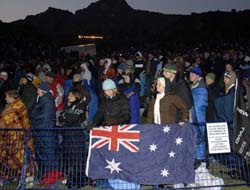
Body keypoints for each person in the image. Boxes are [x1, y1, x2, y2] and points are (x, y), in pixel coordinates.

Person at [88, 79, 140, 189]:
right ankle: (107, 179)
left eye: (107, 90)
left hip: (119, 131)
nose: (105, 93)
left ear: (113, 89)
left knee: (119, 156)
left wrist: (115, 122)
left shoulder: (122, 99)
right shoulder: (104, 99)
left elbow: (126, 115)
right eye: (104, 91)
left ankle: (121, 178)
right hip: (107, 131)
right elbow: (100, 112)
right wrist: (94, 122)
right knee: (107, 156)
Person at [30, 82, 63, 186]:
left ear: (42, 91)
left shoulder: (46, 100)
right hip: (43, 132)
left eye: (38, 90)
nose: (37, 91)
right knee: (44, 154)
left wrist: (33, 122)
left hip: (45, 132)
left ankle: (51, 177)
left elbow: (42, 117)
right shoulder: (43, 100)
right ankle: (45, 176)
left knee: (48, 154)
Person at [0, 90, 36, 183]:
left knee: (22, 157)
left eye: (7, 97)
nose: (5, 98)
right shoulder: (10, 106)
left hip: (20, 137)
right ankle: (14, 176)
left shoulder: (19, 107)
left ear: (12, 98)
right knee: (10, 157)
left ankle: (28, 176)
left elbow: (7, 121)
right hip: (11, 137)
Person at [58, 89, 87, 188]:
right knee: (68, 159)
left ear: (76, 96)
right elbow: (60, 117)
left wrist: (66, 116)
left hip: (76, 137)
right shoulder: (67, 105)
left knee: (77, 160)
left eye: (70, 95)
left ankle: (79, 181)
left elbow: (77, 118)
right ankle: (70, 180)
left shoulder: (81, 105)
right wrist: (66, 116)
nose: (68, 97)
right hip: (67, 136)